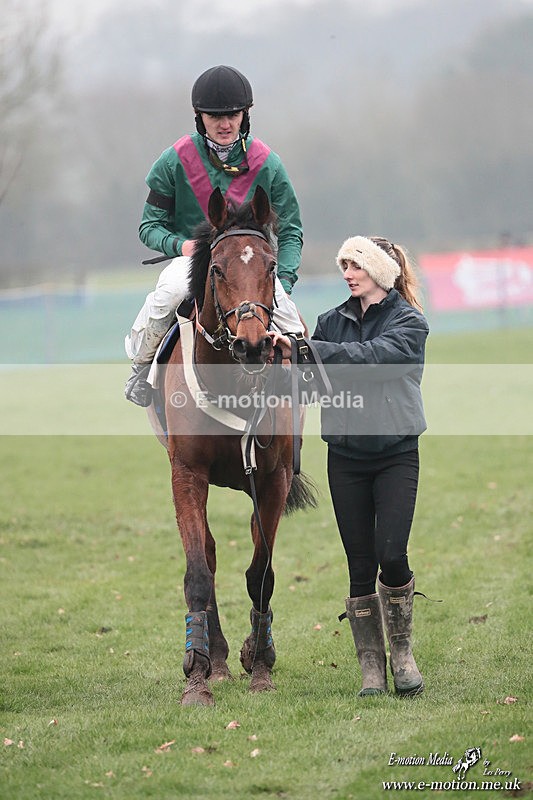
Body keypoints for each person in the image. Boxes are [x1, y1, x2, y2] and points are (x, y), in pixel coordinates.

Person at [270, 235, 429, 697]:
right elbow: (315, 385)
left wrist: (312, 350)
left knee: (392, 555)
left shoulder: (410, 323)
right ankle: (373, 670)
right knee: (359, 566)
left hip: (396, 454)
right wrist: (285, 359)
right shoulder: (329, 323)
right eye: (344, 265)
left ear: (379, 270)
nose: (347, 273)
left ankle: (402, 654)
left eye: (355, 264)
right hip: (346, 457)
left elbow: (375, 360)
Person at [125, 65, 305, 406]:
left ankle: (305, 380)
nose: (225, 125)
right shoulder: (174, 160)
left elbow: (292, 229)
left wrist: (282, 279)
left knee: (289, 316)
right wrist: (181, 245)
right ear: (200, 117)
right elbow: (149, 227)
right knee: (169, 294)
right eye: (214, 116)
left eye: (233, 115)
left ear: (244, 116)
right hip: (193, 261)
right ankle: (142, 368)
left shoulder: (267, 164)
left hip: (253, 266)